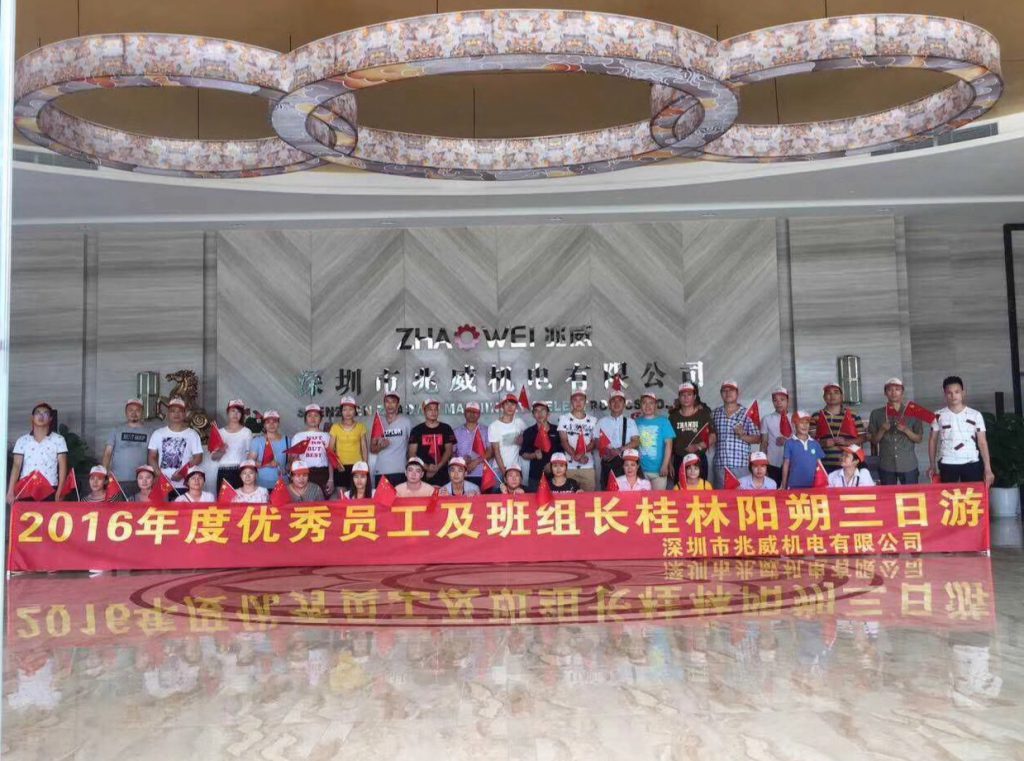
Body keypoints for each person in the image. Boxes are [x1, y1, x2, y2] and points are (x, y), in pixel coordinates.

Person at [928, 375, 995, 485]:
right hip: (948, 462)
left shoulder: (975, 415)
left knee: (972, 495)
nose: (953, 396)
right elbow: (933, 440)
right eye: (949, 393)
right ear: (945, 395)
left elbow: (982, 442)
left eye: (957, 392)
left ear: (963, 393)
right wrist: (932, 465)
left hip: (971, 462)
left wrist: (988, 469)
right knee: (948, 495)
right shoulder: (938, 415)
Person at [7, 401, 68, 504]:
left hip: (50, 487)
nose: (41, 416)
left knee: (48, 514)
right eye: (38, 413)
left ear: (50, 418)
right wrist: (10, 491)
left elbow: (63, 466)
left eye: (45, 413)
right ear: (32, 418)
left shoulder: (58, 440)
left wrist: (60, 490)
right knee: (26, 514)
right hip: (26, 487)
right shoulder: (22, 440)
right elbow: (16, 466)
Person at [868, 378, 924, 485]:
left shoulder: (914, 412)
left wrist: (906, 430)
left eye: (897, 389)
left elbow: (919, 439)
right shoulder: (876, 413)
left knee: (910, 494)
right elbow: (874, 441)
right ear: (885, 393)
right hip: (886, 464)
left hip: (908, 464)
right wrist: (882, 430)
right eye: (890, 390)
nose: (893, 393)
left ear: (902, 392)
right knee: (888, 494)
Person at [147, 397, 202, 497]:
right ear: (168, 414)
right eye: (173, 411)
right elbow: (152, 456)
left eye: (180, 411)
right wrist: (159, 475)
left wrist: (183, 473)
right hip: (163, 484)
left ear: (185, 414)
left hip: (185, 484)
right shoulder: (158, 433)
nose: (176, 414)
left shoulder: (192, 434)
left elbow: (198, 457)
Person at [711, 380, 761, 489]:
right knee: (721, 498)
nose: (728, 393)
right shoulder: (714, 413)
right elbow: (710, 436)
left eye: (731, 390)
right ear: (721, 394)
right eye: (725, 390)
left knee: (742, 497)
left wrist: (743, 436)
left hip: (741, 465)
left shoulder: (747, 413)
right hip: (720, 465)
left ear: (737, 393)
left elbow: (758, 439)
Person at [811, 383, 866, 472]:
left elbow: (863, 437)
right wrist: (823, 443)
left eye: (836, 392)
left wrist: (846, 442)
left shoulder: (853, 415)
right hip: (823, 464)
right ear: (824, 397)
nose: (832, 395)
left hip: (848, 465)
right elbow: (810, 441)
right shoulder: (816, 416)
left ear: (841, 397)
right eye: (828, 393)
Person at [101, 398, 150, 499]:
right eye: (130, 410)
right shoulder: (116, 430)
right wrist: (104, 474)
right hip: (118, 480)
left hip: (142, 481)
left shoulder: (150, 432)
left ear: (142, 413)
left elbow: (153, 455)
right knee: (117, 507)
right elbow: (107, 453)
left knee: (138, 508)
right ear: (126, 412)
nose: (134, 413)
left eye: (137, 410)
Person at [668, 382, 715, 484]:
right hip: (679, 460)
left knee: (700, 490)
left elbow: (713, 436)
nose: (686, 398)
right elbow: (669, 442)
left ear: (694, 397)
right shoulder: (673, 417)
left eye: (689, 395)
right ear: (679, 397)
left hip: (698, 460)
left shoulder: (703, 414)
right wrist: (669, 463)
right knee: (680, 490)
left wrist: (698, 446)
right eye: (683, 395)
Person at [408, 399, 456, 487]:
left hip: (442, 474)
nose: (433, 412)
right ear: (424, 411)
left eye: (435, 409)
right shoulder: (416, 430)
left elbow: (449, 451)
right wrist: (426, 467)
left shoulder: (446, 428)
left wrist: (438, 467)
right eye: (430, 409)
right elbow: (412, 454)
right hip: (422, 474)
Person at [596, 389, 640, 485]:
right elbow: (596, 441)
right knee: (607, 490)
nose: (616, 403)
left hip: (625, 463)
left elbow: (636, 441)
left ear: (624, 404)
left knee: (626, 490)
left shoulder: (630, 422)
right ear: (609, 404)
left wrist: (619, 450)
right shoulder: (601, 422)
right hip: (607, 462)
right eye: (613, 401)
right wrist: (606, 451)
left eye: (620, 401)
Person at [557, 390, 598, 491]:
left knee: (588, 497)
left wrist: (581, 454)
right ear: (571, 401)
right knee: (569, 497)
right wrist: (576, 456)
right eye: (575, 400)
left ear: (585, 401)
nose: (578, 402)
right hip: (569, 466)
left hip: (587, 465)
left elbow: (594, 442)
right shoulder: (564, 418)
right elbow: (563, 441)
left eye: (581, 399)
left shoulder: (593, 420)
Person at [370, 392, 412, 487]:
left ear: (398, 404)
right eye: (387, 401)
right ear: (384, 404)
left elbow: (411, 447)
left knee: (400, 497)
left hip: (400, 471)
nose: (390, 405)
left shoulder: (406, 422)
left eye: (393, 402)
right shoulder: (379, 421)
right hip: (381, 471)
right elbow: (372, 449)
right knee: (381, 497)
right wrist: (380, 447)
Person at [290, 404, 333, 496]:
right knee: (305, 501)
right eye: (309, 416)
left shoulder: (327, 436)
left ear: (320, 419)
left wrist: (331, 479)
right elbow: (292, 459)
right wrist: (294, 458)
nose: (313, 418)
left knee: (322, 501)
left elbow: (331, 459)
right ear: (305, 419)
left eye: (316, 415)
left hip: (322, 473)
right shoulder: (298, 436)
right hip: (304, 474)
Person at [635, 392, 675, 491]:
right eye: (644, 403)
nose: (647, 406)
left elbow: (669, 445)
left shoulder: (664, 421)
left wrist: (665, 465)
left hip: (659, 470)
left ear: (656, 406)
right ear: (640, 405)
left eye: (651, 403)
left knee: (657, 499)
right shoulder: (636, 422)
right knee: (641, 499)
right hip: (641, 470)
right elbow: (634, 445)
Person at [328, 396, 368, 493]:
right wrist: (336, 465)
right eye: (345, 409)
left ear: (355, 411)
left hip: (357, 467)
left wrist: (365, 466)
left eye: (351, 409)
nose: (348, 412)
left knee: (356, 497)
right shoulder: (335, 427)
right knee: (342, 497)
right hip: (340, 468)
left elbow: (364, 448)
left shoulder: (360, 427)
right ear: (341, 412)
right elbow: (330, 451)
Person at [211, 399, 253, 489]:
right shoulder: (220, 432)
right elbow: (213, 457)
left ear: (242, 414)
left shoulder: (246, 432)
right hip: (223, 471)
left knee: (240, 497)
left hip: (241, 471)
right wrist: (222, 451)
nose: (235, 414)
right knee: (223, 498)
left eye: (238, 412)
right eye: (233, 411)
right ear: (228, 413)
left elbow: (249, 455)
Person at [520, 400, 561, 492]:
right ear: (533, 415)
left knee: (557, 500)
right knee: (534, 500)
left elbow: (562, 451)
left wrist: (552, 464)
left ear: (548, 413)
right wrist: (533, 455)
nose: (540, 413)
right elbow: (523, 453)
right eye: (536, 411)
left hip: (556, 475)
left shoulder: (556, 430)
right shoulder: (528, 432)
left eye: (543, 410)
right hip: (535, 476)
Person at [781, 411, 826, 489]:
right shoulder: (789, 443)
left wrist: (825, 480)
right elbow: (786, 464)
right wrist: (784, 485)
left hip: (813, 485)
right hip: (794, 485)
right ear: (794, 424)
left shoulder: (815, 443)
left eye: (807, 423)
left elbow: (820, 464)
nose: (805, 426)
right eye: (801, 422)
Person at [488, 393, 527, 479]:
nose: (510, 407)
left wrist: (523, 441)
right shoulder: (494, 426)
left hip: (516, 468)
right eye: (507, 404)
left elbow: (528, 442)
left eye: (512, 404)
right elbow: (496, 452)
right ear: (502, 406)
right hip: (499, 468)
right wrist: (504, 472)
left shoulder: (520, 423)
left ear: (516, 407)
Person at [249, 410, 288, 490]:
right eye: (268, 422)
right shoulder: (257, 441)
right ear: (264, 424)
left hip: (283, 484)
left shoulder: (287, 440)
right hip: (261, 485)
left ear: (278, 423)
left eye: (274, 421)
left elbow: (290, 462)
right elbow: (250, 463)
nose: (271, 424)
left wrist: (287, 468)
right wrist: (268, 464)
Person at [453, 402, 489, 489]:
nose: (472, 414)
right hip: (461, 474)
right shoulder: (456, 431)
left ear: (479, 414)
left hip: (482, 474)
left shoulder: (486, 430)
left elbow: (491, 451)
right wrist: (461, 460)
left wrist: (475, 462)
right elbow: (452, 453)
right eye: (469, 411)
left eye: (475, 412)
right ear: (464, 413)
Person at [759, 387, 790, 486]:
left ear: (788, 401)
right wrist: (762, 463)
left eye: (782, 399)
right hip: (772, 462)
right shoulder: (766, 419)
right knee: (773, 488)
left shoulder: (794, 418)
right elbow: (764, 443)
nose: (778, 403)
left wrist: (787, 442)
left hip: (791, 462)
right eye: (775, 400)